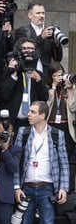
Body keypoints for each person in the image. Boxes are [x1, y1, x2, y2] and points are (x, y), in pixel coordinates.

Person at [13, 101, 68, 224]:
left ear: (42, 116)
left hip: (47, 187)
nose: (29, 114)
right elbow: (17, 161)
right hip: (27, 186)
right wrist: (16, 186)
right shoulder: (23, 132)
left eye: (33, 112)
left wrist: (63, 188)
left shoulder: (56, 134)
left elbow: (63, 162)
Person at [0, 37, 48, 133]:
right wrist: (14, 74)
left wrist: (38, 79)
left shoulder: (38, 73)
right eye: (25, 48)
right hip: (13, 120)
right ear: (19, 51)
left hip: (31, 121)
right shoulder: (11, 71)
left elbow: (44, 97)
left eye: (31, 49)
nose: (28, 51)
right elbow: (4, 95)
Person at [46, 62, 76, 191]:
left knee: (65, 158)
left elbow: (73, 107)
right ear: (51, 76)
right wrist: (53, 87)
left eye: (61, 75)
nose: (59, 77)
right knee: (51, 158)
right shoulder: (47, 88)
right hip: (51, 124)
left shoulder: (69, 88)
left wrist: (70, 89)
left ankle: (65, 189)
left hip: (66, 126)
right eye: (56, 75)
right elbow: (46, 107)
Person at [14, 0, 62, 73]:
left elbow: (57, 59)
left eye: (43, 13)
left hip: (46, 74)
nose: (41, 16)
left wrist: (57, 44)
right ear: (30, 15)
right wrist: (41, 37)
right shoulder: (22, 31)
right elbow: (20, 53)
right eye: (38, 13)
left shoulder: (50, 32)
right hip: (27, 71)